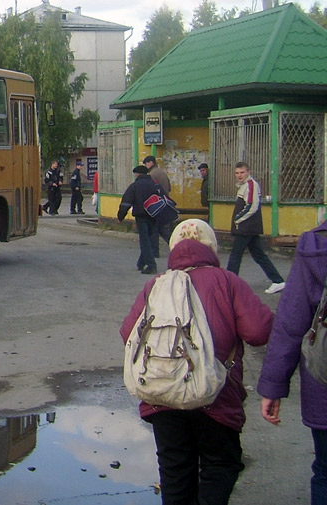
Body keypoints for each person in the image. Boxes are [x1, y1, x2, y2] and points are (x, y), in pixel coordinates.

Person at [121, 219, 273, 505]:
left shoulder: (156, 284)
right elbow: (258, 331)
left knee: (175, 471)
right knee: (219, 465)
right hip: (214, 394)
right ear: (212, 247)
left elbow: (127, 333)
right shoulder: (228, 281)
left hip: (162, 395)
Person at [257, 220, 327, 505]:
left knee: (325, 471)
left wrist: (273, 386)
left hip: (324, 385)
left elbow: (292, 320)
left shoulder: (317, 245)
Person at [227, 161, 286, 294]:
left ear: (249, 172)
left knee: (235, 255)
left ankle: (229, 284)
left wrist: (237, 219)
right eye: (237, 173)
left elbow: (252, 207)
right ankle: (278, 281)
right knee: (259, 255)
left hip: (246, 227)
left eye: (242, 172)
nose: (239, 175)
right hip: (248, 227)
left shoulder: (250, 185)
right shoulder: (244, 186)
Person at [117, 165, 162, 274]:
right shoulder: (155, 185)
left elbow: (126, 202)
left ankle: (151, 265)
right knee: (149, 239)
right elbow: (163, 199)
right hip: (154, 215)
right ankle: (141, 263)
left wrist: (120, 216)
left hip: (141, 216)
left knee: (144, 240)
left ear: (137, 174)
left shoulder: (135, 186)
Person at [144, 155, 175, 243]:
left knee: (158, 227)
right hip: (165, 201)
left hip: (157, 203)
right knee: (162, 226)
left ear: (151, 163)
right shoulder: (162, 172)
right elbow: (169, 188)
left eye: (146, 163)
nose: (146, 166)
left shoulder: (152, 174)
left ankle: (172, 243)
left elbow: (150, 189)